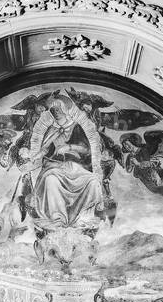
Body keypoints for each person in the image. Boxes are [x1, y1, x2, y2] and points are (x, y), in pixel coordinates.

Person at [21, 94, 103, 230]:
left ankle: (81, 218)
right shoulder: (52, 130)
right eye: (52, 111)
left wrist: (69, 147)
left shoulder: (76, 127)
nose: (55, 112)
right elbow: (46, 149)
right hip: (55, 166)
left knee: (93, 181)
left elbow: (86, 149)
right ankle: (58, 219)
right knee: (50, 180)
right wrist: (35, 156)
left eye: (58, 109)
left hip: (75, 167)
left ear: (65, 109)